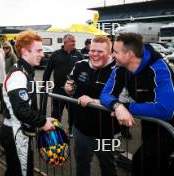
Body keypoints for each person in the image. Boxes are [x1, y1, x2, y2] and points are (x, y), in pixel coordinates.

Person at [100, 33, 174, 176]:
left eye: (115, 51)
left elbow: (166, 110)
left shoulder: (159, 68)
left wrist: (127, 107)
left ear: (129, 55)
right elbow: (105, 94)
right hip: (149, 122)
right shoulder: (120, 67)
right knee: (157, 163)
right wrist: (117, 106)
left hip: (170, 125)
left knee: (142, 161)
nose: (112, 55)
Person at [0, 30, 55, 176]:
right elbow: (21, 110)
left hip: (19, 131)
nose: (42, 54)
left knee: (16, 171)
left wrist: (41, 121)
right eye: (38, 50)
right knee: (21, 172)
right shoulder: (18, 75)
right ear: (25, 51)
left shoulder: (24, 71)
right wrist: (43, 122)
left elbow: (27, 105)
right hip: (15, 133)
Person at [64, 36, 120, 176]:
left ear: (110, 52)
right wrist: (68, 89)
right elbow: (71, 88)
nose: (95, 54)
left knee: (108, 165)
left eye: (100, 51)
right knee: (81, 163)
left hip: (108, 132)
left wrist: (93, 101)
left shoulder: (119, 70)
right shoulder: (79, 65)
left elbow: (124, 102)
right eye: (92, 50)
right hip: (81, 129)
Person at [41, 34, 83, 135]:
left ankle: (71, 130)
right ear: (65, 42)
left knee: (73, 112)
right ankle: (56, 131)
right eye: (72, 41)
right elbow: (48, 71)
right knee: (56, 113)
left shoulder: (78, 55)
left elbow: (83, 71)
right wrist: (44, 85)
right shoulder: (55, 54)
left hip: (73, 90)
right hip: (58, 90)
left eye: (74, 41)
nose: (74, 43)